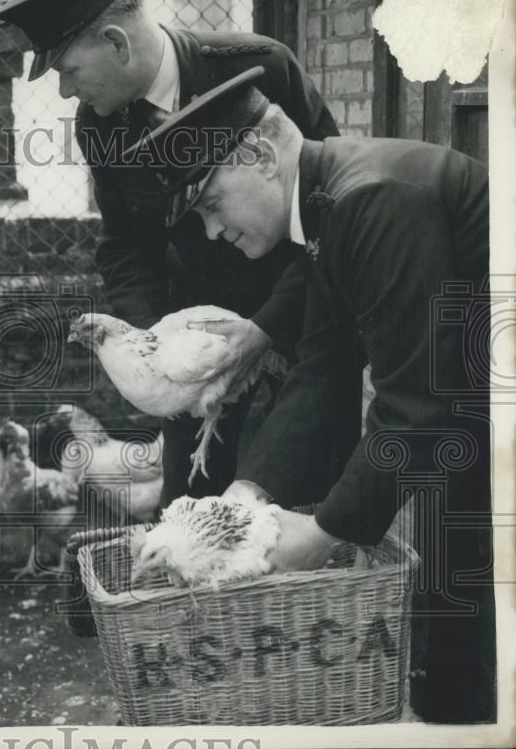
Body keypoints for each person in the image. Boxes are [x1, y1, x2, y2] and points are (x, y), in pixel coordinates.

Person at [137, 67, 494, 724]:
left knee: (473, 614)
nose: (213, 232)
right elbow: (323, 364)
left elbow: (414, 404)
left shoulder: (374, 201)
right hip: (473, 409)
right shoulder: (327, 209)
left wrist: (328, 529)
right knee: (453, 624)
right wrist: (249, 494)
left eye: (212, 203)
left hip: (482, 413)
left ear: (264, 156)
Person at [0, 0, 357, 508]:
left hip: (301, 320)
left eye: (68, 69)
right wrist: (154, 350)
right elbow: (126, 246)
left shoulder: (259, 66)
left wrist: (266, 327)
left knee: (303, 497)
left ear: (116, 42)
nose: (67, 89)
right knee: (189, 507)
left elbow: (334, 209)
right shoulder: (98, 125)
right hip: (189, 346)